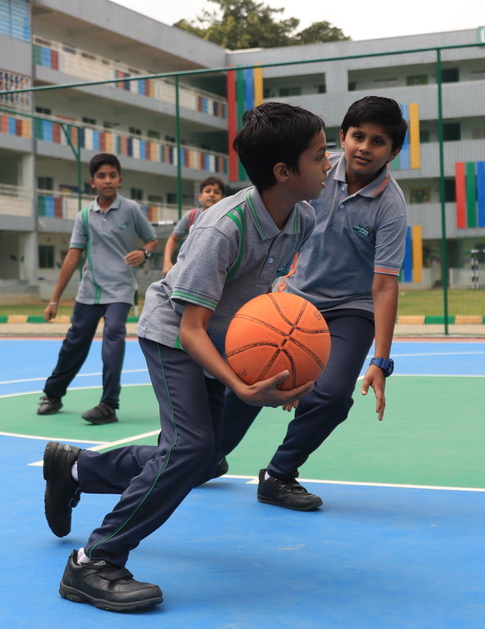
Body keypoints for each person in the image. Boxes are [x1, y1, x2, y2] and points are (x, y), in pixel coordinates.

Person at [42, 102, 327, 611]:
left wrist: (279, 367)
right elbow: (191, 327)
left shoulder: (301, 218)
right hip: (174, 335)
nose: (329, 164)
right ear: (284, 171)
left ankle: (77, 470)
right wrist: (240, 386)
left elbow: (263, 301)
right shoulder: (224, 228)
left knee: (204, 459)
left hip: (217, 337)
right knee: (191, 450)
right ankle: (93, 562)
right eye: (320, 156)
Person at [215, 95, 408, 510]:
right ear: (343, 136)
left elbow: (384, 285)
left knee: (333, 395)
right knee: (252, 377)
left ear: (393, 152)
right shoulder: (315, 171)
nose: (365, 147)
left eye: (378, 142)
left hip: (351, 308)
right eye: (358, 136)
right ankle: (207, 455)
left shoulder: (390, 207)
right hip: (294, 298)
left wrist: (381, 360)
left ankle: (279, 474)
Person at [36, 153, 158, 425]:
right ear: (92, 182)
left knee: (113, 337)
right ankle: (53, 395)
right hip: (89, 291)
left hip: (121, 289)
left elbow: (151, 240)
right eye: (101, 176)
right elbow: (73, 256)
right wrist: (54, 299)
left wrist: (144, 253)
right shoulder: (84, 216)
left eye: (112, 175)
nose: (107, 180)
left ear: (120, 180)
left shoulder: (131, 210)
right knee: (74, 343)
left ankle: (108, 405)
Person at [161, 175, 226, 275]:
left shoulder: (226, 219)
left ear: (223, 198)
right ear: (199, 196)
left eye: (216, 192)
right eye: (207, 191)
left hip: (216, 270)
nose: (212, 195)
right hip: (190, 269)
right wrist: (167, 262)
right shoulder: (191, 216)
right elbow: (173, 238)